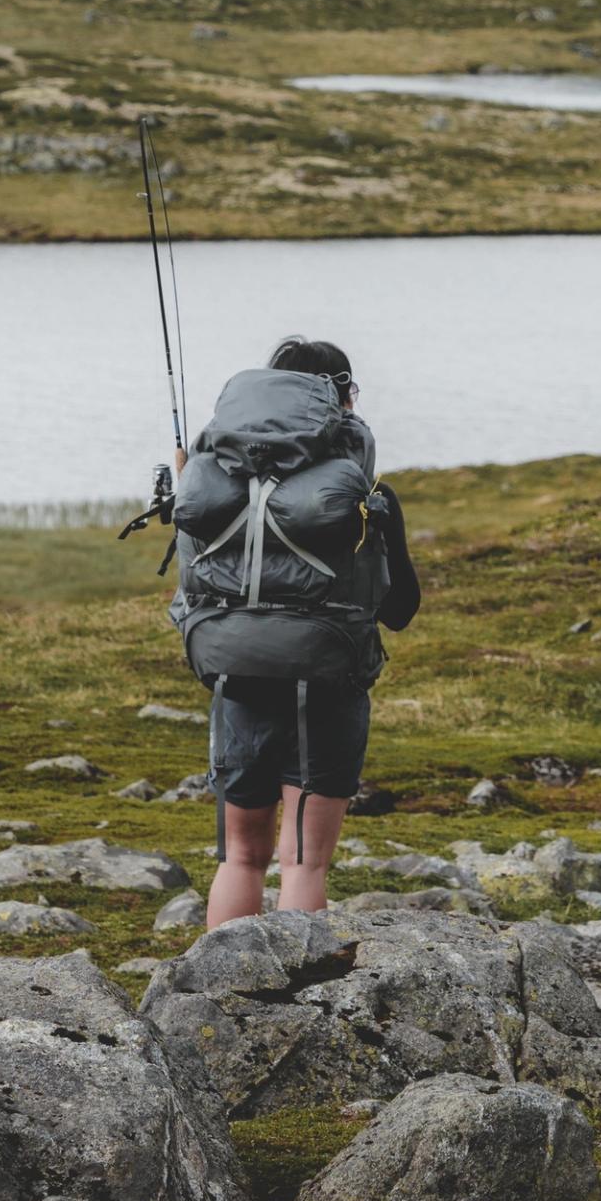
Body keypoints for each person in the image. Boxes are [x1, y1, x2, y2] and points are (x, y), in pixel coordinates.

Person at [183, 334, 418, 923]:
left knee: (240, 857)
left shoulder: (213, 480)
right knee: (303, 862)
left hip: (233, 672)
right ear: (340, 400)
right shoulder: (360, 489)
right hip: (326, 683)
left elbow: (190, 585)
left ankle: (219, 994)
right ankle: (291, 1000)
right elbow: (400, 608)